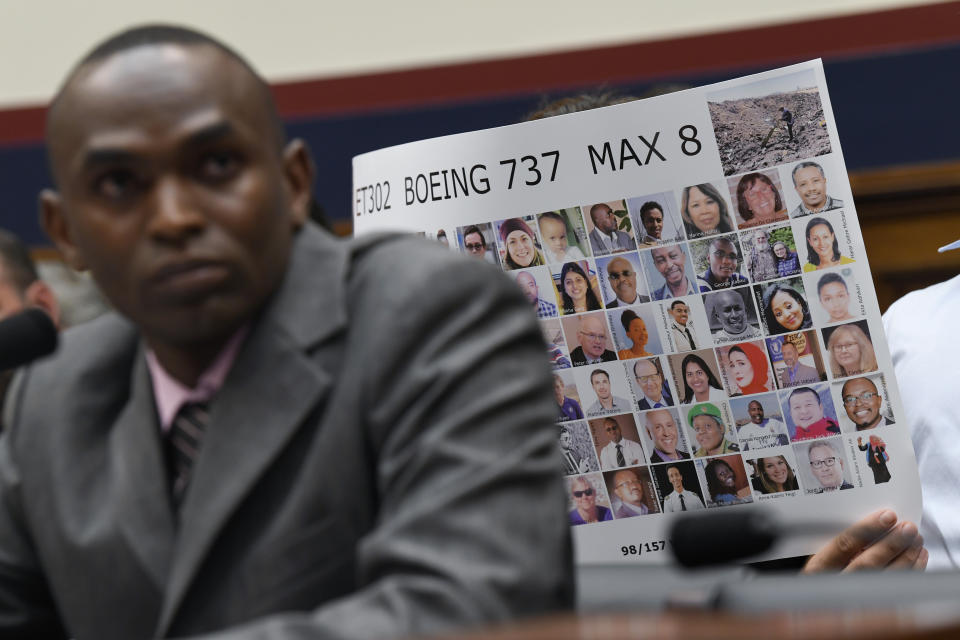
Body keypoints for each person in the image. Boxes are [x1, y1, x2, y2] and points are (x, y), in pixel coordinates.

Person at [6, 25, 573, 639]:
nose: (174, 218)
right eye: (119, 185)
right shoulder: (54, 394)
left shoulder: (429, 313)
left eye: (217, 165)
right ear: (64, 233)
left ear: (295, 182)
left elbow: (475, 608)